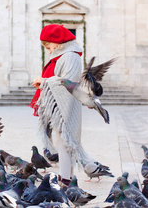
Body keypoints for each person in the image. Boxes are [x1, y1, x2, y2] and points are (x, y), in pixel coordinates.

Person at [29, 24, 92, 188]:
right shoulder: (64, 55)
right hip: (60, 105)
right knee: (62, 141)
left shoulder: (70, 56)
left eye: (49, 47)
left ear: (57, 42)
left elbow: (69, 81)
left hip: (66, 105)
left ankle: (65, 178)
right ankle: (66, 177)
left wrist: (44, 82)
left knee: (64, 142)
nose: (49, 51)